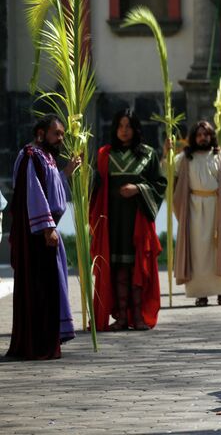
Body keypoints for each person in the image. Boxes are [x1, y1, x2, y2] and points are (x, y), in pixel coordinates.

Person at [7, 115, 78, 360]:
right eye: (56, 134)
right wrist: (47, 227)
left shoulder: (46, 157)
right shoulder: (30, 156)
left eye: (62, 134)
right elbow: (33, 193)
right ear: (40, 134)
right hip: (37, 236)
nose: (61, 139)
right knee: (39, 289)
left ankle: (48, 340)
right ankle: (36, 344)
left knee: (51, 288)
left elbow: (53, 185)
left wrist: (66, 171)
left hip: (47, 232)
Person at [90, 109, 166, 331]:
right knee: (119, 268)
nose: (124, 130)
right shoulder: (105, 154)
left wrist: (138, 188)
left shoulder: (148, 154)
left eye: (128, 126)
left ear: (135, 129)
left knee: (137, 267)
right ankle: (122, 316)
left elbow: (160, 184)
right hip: (112, 221)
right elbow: (95, 186)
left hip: (137, 221)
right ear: (115, 128)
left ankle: (139, 316)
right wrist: (82, 174)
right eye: (120, 126)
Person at [172, 120, 221, 307]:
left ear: (212, 136)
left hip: (218, 209)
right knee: (197, 252)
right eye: (199, 135)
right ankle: (200, 293)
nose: (203, 138)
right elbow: (170, 176)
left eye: (206, 134)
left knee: (220, 250)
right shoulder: (184, 158)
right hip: (193, 210)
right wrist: (168, 153)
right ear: (194, 137)